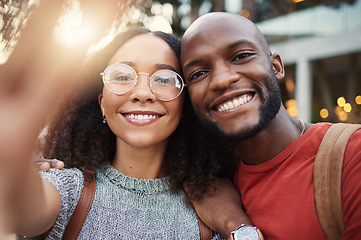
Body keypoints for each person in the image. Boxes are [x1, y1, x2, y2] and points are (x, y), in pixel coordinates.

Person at [1, 27, 251, 239]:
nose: (142, 93)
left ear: (184, 105)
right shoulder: (69, 190)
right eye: (122, 76)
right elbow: (21, 207)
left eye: (164, 79)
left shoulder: (214, 209)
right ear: (101, 102)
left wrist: (235, 225)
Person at [180, 12, 361, 240]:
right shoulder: (210, 183)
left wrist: (236, 226)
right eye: (199, 73)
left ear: (276, 67)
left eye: (240, 56)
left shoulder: (352, 155)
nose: (221, 80)